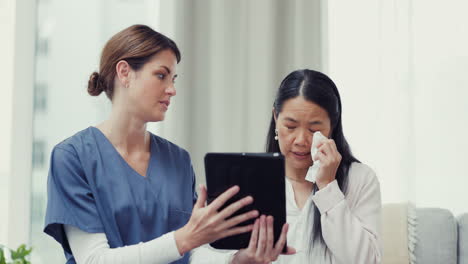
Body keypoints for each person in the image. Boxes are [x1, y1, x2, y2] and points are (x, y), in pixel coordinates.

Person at [44, 24, 259, 264]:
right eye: (161, 75)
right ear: (124, 72)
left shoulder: (178, 160)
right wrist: (183, 240)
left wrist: (238, 260)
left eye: (173, 78)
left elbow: (192, 253)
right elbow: (95, 259)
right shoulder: (73, 157)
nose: (172, 90)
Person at [191, 69, 382, 264]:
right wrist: (238, 260)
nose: (300, 140)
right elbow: (199, 257)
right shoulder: (246, 177)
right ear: (276, 117)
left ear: (332, 126)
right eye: (290, 126)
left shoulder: (360, 179)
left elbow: (368, 261)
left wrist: (328, 187)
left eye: (314, 129)